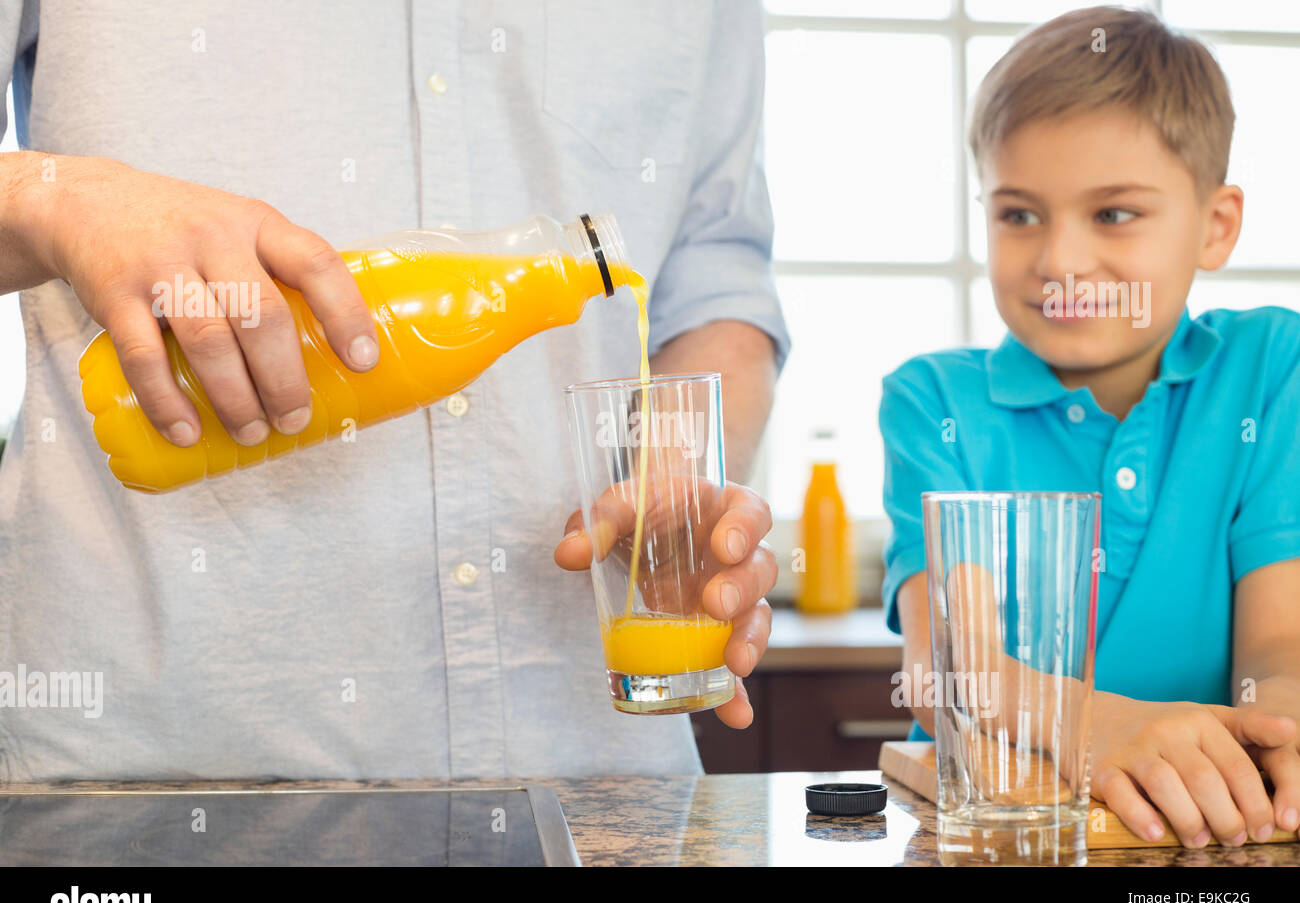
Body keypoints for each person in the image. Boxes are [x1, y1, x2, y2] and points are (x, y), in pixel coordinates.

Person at [0, 1, 786, 781]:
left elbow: (716, 283)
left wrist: (673, 487)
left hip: (592, 770)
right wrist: (57, 198)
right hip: (162, 769)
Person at [879, 6, 1300, 848]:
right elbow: (951, 674)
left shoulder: (1271, 367)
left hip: (1191, 833)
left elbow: (1279, 641)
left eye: (1112, 215)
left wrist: (1280, 733)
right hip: (993, 836)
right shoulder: (932, 402)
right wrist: (1101, 729)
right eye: (1019, 214)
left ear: (1215, 226)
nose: (1060, 261)